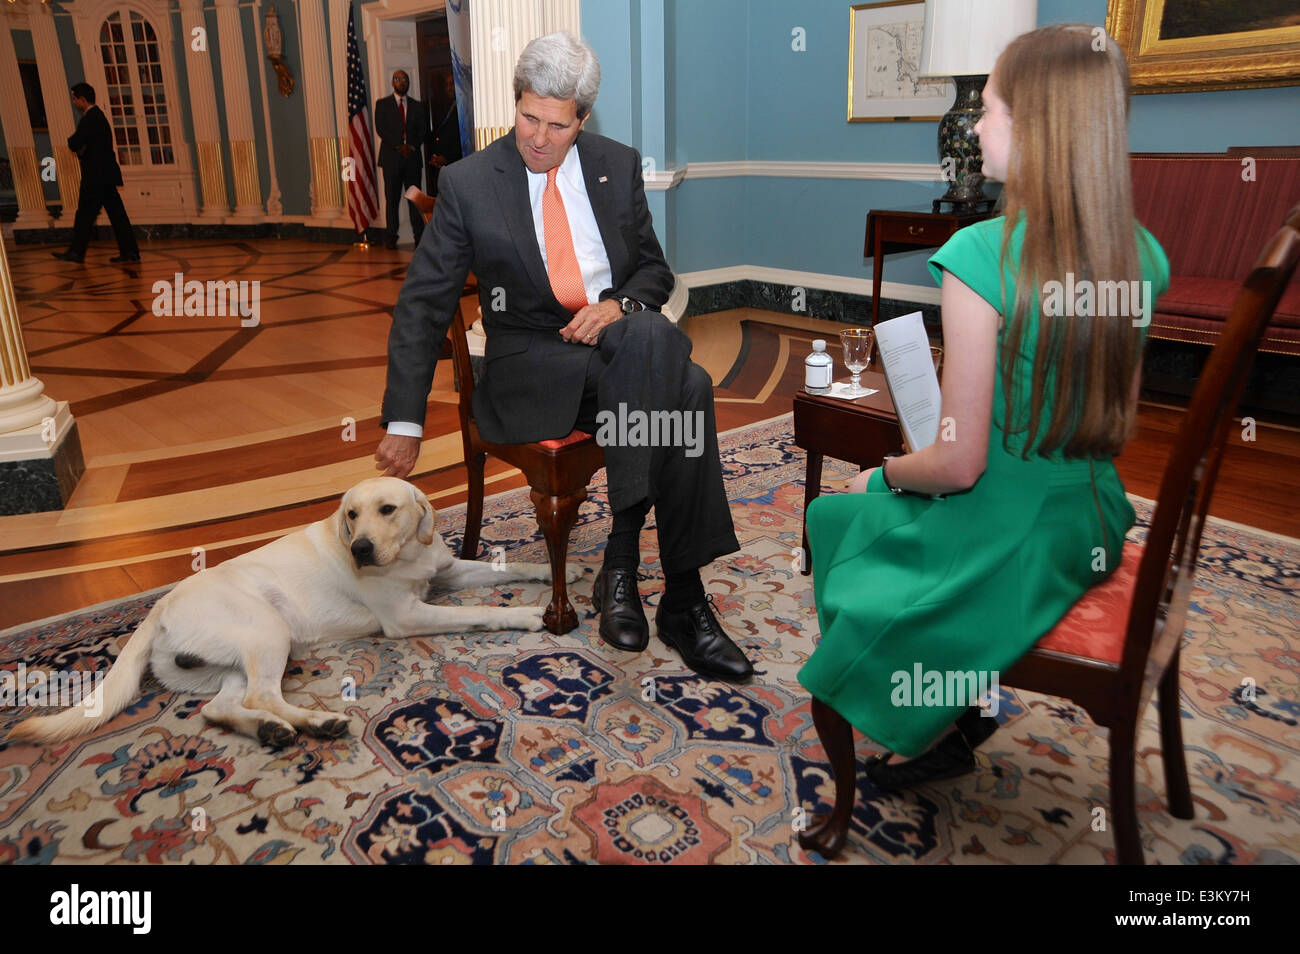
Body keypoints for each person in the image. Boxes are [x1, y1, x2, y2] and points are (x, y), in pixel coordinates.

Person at [797, 24, 1171, 841]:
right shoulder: (1141, 254)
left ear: (1036, 127)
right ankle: (952, 712)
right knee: (865, 509)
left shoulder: (979, 255)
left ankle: (925, 713)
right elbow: (1121, 416)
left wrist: (889, 471)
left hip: (1011, 535)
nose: (976, 126)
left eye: (990, 108)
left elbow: (960, 464)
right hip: (1094, 516)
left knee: (837, 515)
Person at [376, 31, 752, 682]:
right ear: (515, 101)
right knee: (683, 381)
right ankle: (661, 586)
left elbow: (653, 276)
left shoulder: (616, 165)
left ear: (582, 119)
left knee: (651, 343)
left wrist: (617, 308)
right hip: (531, 365)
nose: (539, 138)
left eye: (557, 124)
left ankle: (640, 575)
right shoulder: (470, 183)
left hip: (612, 347)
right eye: (528, 117)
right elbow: (423, 302)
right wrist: (404, 421)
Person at [53, 83, 140, 264]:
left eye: (75, 99)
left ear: (83, 100)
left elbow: (74, 142)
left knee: (85, 215)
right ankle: (130, 252)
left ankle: (76, 253)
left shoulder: (90, 118)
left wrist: (80, 146)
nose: (75, 102)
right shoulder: (98, 116)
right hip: (105, 175)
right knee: (116, 215)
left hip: (95, 177)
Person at [374, 70, 430, 250]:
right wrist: (399, 145)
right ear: (392, 82)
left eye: (404, 79)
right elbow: (381, 129)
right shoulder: (382, 104)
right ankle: (391, 236)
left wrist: (411, 146)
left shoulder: (417, 106)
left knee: (414, 200)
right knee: (392, 199)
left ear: (408, 83)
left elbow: (423, 131)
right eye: (398, 79)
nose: (401, 82)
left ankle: (419, 237)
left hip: (412, 159)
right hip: (391, 159)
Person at [425, 72, 462, 197]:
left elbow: (461, 139)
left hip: (457, 162)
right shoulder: (444, 106)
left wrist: (448, 158)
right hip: (444, 164)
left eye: (452, 84)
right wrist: (436, 156)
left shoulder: (466, 106)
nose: (449, 88)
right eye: (447, 85)